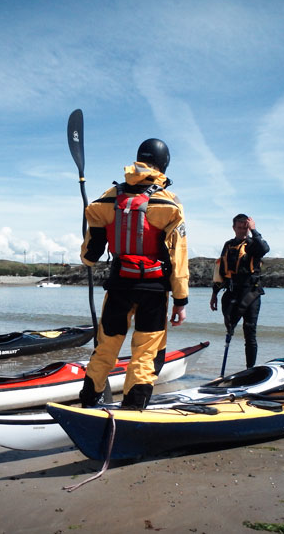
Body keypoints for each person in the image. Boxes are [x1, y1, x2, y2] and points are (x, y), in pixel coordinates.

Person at [78, 138, 189, 410]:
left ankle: (87, 404)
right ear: (163, 164)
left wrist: (93, 241)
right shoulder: (168, 203)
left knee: (105, 349)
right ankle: (132, 410)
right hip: (153, 289)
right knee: (146, 354)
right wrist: (181, 300)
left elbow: (89, 256)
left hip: (118, 286)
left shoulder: (108, 198)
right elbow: (178, 255)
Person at [210, 214, 270, 368]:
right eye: (239, 227)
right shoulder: (228, 245)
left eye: (245, 227)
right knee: (230, 329)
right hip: (233, 292)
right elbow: (220, 271)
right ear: (234, 228)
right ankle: (223, 371)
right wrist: (214, 294)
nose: (242, 230)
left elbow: (264, 249)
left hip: (251, 293)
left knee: (250, 331)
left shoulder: (253, 244)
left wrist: (254, 230)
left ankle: (249, 369)